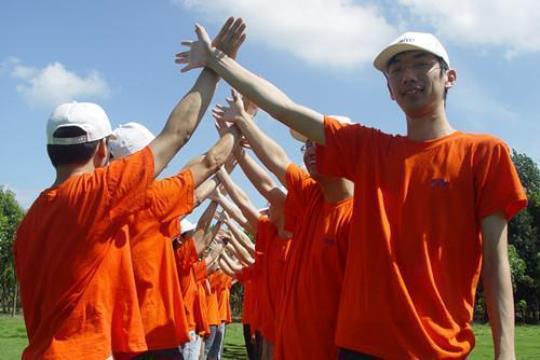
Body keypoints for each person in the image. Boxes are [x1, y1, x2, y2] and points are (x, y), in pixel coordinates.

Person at [177, 27, 528, 359]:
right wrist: (217, 61)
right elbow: (285, 109)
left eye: (421, 64)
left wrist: (506, 351)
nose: (408, 75)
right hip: (359, 347)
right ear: (389, 90)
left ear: (449, 77)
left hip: (436, 347)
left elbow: (496, 263)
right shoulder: (372, 150)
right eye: (397, 69)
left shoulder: (483, 153)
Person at [13, 17, 246, 360]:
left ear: (51, 151)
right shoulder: (100, 193)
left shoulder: (29, 224)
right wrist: (216, 64)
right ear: (102, 151)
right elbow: (177, 134)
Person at [212, 92, 354, 360]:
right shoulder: (313, 198)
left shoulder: (362, 214)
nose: (310, 150)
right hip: (286, 342)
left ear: (347, 146)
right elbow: (276, 165)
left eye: (318, 142)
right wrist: (243, 125)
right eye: (307, 145)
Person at [107, 120, 241, 358]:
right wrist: (239, 127)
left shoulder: (98, 200)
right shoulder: (150, 202)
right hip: (153, 333)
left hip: (117, 333)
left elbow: (190, 176)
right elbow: (205, 168)